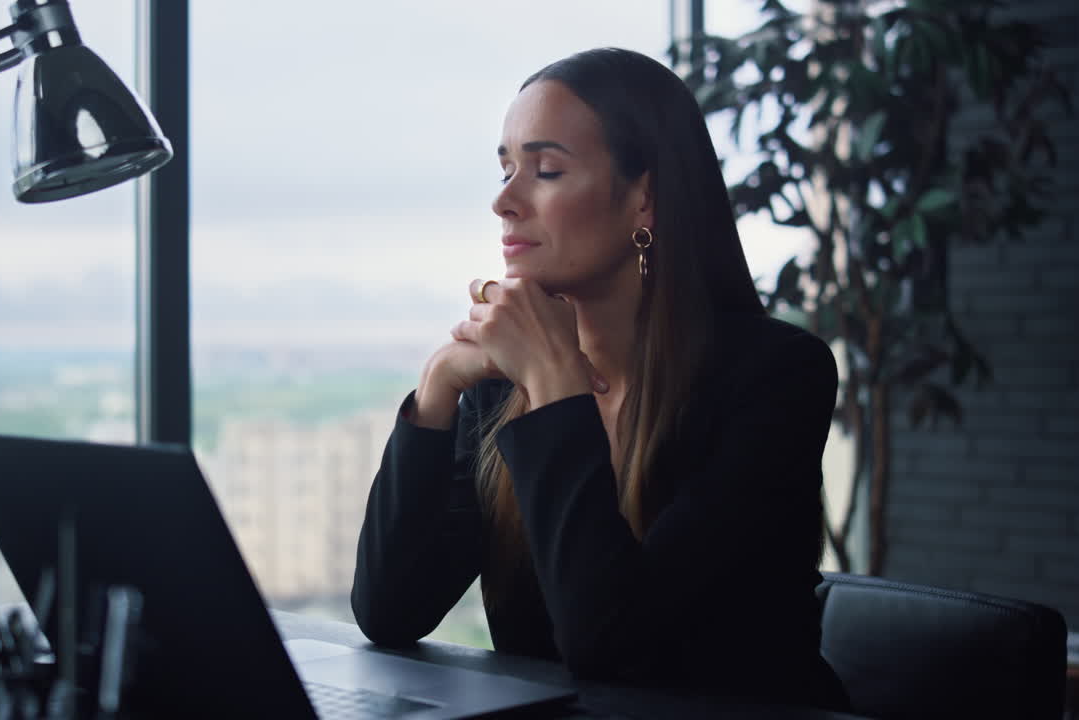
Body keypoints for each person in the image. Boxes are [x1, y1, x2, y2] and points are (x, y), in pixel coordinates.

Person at [350, 47, 850, 711]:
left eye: (546, 169)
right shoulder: (503, 388)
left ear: (645, 198)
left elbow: (616, 648)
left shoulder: (776, 377)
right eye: (505, 169)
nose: (503, 201)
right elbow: (389, 613)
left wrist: (558, 390)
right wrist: (439, 389)